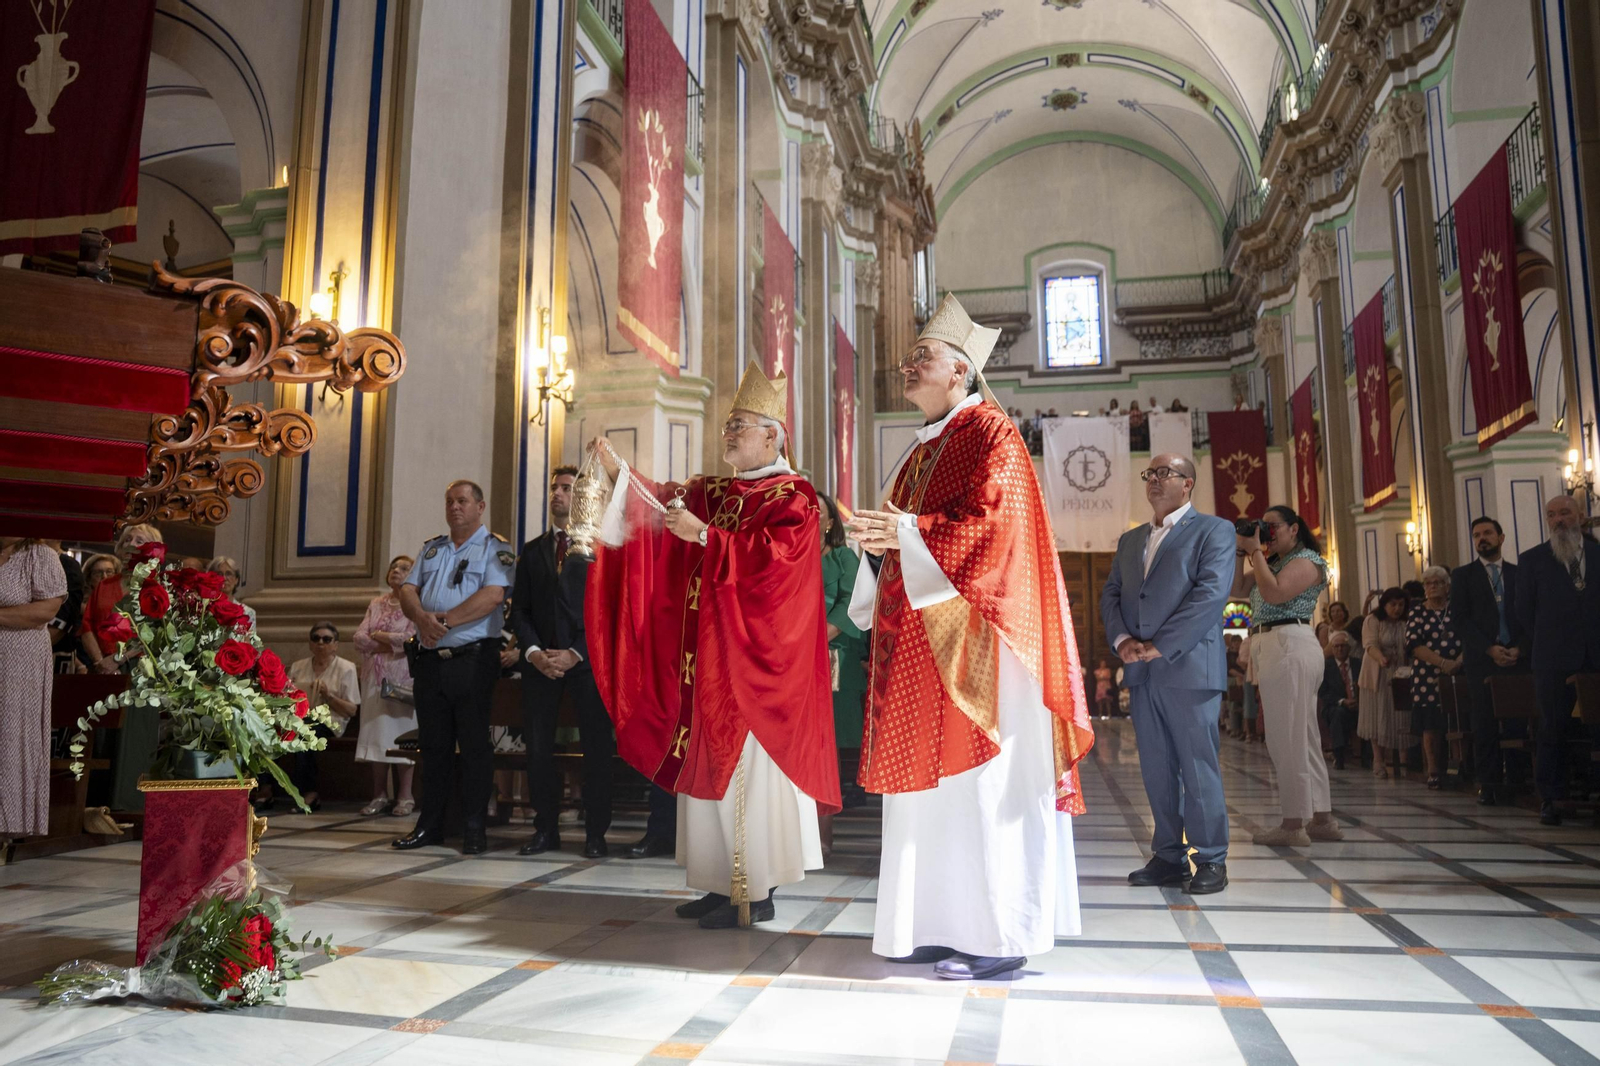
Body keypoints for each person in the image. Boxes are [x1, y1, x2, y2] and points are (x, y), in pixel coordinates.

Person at [847, 293, 1092, 981]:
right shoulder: (921, 450)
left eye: (921, 357)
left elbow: (994, 527)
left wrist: (903, 533)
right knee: (930, 798)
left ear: (959, 371)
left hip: (984, 646)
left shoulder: (991, 434)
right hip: (922, 647)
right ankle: (933, 924)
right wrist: (873, 544)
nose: (907, 365)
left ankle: (997, 935)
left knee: (984, 785)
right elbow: (903, 537)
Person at [587, 363, 839, 929]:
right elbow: (660, 503)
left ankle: (756, 888)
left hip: (757, 665)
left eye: (740, 425)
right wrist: (620, 473)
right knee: (703, 770)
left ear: (772, 435)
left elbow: (777, 563)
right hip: (707, 656)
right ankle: (717, 883)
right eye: (727, 424)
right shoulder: (717, 490)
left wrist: (705, 536)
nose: (728, 433)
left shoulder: (793, 496)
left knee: (746, 774)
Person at [1103, 453, 1235, 895]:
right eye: (1150, 474)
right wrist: (1123, 642)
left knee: (1197, 768)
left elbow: (1210, 595)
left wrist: (1160, 645)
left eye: (1166, 473)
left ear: (1189, 483)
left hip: (1189, 668)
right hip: (1142, 670)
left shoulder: (1214, 531)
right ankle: (1168, 856)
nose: (1155, 481)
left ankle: (1211, 858)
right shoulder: (1131, 540)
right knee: (1157, 768)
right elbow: (1112, 595)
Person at [393, 479, 516, 854]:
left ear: (480, 507)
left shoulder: (497, 549)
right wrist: (422, 619)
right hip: (430, 662)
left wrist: (440, 623)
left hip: (473, 660)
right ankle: (430, 825)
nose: (454, 507)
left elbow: (493, 596)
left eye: (462, 501)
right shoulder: (432, 549)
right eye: (449, 501)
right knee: (434, 747)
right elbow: (408, 590)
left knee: (475, 746)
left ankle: (475, 826)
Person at [511, 465, 616, 859]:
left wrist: (577, 652)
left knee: (596, 749)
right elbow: (518, 610)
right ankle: (545, 829)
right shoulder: (534, 549)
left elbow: (606, 611)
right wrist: (535, 653)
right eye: (553, 487)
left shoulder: (601, 550)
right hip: (541, 665)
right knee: (537, 749)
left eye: (567, 488)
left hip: (585, 663)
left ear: (583, 496)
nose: (557, 493)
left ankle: (595, 833)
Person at [1233, 505, 1343, 845]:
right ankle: (1322, 819)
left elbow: (1275, 593)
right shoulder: (1274, 561)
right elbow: (1236, 588)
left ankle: (1293, 824)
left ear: (1294, 529)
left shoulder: (1308, 560)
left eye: (1272, 527)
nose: (1266, 533)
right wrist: (1242, 551)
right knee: (1303, 735)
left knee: (1285, 737)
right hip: (1276, 645)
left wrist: (1255, 551)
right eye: (1261, 527)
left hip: (1290, 643)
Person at [1515, 495, 1600, 825]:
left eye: (1565, 512)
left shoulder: (1596, 554)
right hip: (1552, 657)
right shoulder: (1532, 560)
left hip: (1596, 656)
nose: (1558, 520)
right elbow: (1525, 610)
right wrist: (1552, 640)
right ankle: (1551, 797)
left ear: (1579, 515)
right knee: (1553, 727)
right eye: (1552, 515)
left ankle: (1593, 788)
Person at [1450, 516, 1527, 805]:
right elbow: (1460, 619)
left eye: (1487, 533)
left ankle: (1518, 782)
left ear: (1501, 537)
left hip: (1517, 658)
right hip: (1482, 660)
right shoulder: (1463, 575)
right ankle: (1490, 784)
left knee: (1518, 721)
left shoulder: (1519, 573)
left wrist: (1520, 648)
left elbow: (1530, 615)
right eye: (1476, 535)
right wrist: (1489, 649)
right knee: (1484, 723)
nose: (1482, 538)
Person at [0, 539, 67, 838]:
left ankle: (7, 825)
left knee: (10, 735)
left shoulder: (39, 555)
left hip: (20, 661)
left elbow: (44, 610)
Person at [819, 492, 867, 853]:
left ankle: (823, 837)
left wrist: (810, 641)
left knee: (826, 744)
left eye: (814, 513)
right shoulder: (791, 557)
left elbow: (852, 604)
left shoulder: (842, 557)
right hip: (787, 659)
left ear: (829, 522)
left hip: (831, 658)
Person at [352, 555, 419, 817]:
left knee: (402, 737)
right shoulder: (376, 603)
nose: (397, 571)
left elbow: (412, 640)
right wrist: (389, 643)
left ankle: (405, 795)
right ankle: (379, 795)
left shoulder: (416, 604)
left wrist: (380, 638)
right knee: (375, 734)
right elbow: (359, 637)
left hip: (402, 679)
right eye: (394, 566)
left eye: (404, 568)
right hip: (373, 679)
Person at [274, 621, 360, 812]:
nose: (321, 643)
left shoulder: (346, 668)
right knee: (271, 730)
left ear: (335, 644)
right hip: (299, 718)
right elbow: (284, 698)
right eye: (316, 639)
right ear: (310, 644)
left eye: (327, 639)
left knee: (305, 733)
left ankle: (308, 792)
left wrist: (328, 696)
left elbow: (352, 710)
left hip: (330, 721)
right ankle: (265, 788)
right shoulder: (298, 666)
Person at [1407, 566, 1461, 789]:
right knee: (1431, 724)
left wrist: (1458, 662)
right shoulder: (1418, 611)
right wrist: (1442, 662)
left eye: (1437, 583)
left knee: (1458, 720)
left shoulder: (1457, 610)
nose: (1432, 587)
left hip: (1458, 672)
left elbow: (1470, 635)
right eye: (1428, 583)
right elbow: (1414, 645)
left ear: (1447, 587)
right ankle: (1434, 771)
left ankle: (1459, 768)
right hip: (1426, 676)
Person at [1358, 588, 1411, 779]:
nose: (1397, 609)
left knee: (1401, 716)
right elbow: (1370, 645)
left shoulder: (1407, 621)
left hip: (1402, 672)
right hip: (1378, 673)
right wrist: (1381, 658)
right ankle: (1378, 760)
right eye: (1393, 605)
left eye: (1401, 605)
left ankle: (1403, 761)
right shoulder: (1373, 620)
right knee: (1377, 715)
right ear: (1384, 605)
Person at [1318, 631, 1361, 770]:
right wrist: (1343, 701)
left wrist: (1358, 701)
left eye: (1343, 646)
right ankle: (1339, 755)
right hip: (1335, 706)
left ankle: (1368, 755)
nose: (1340, 649)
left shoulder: (1358, 664)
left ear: (1348, 647)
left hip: (1359, 704)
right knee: (1338, 714)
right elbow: (1323, 692)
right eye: (1336, 646)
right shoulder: (1326, 666)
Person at [206, 557, 255, 629]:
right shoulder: (205, 609)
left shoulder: (248, 613)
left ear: (236, 580)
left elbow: (250, 639)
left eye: (228, 574)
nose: (224, 578)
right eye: (219, 574)